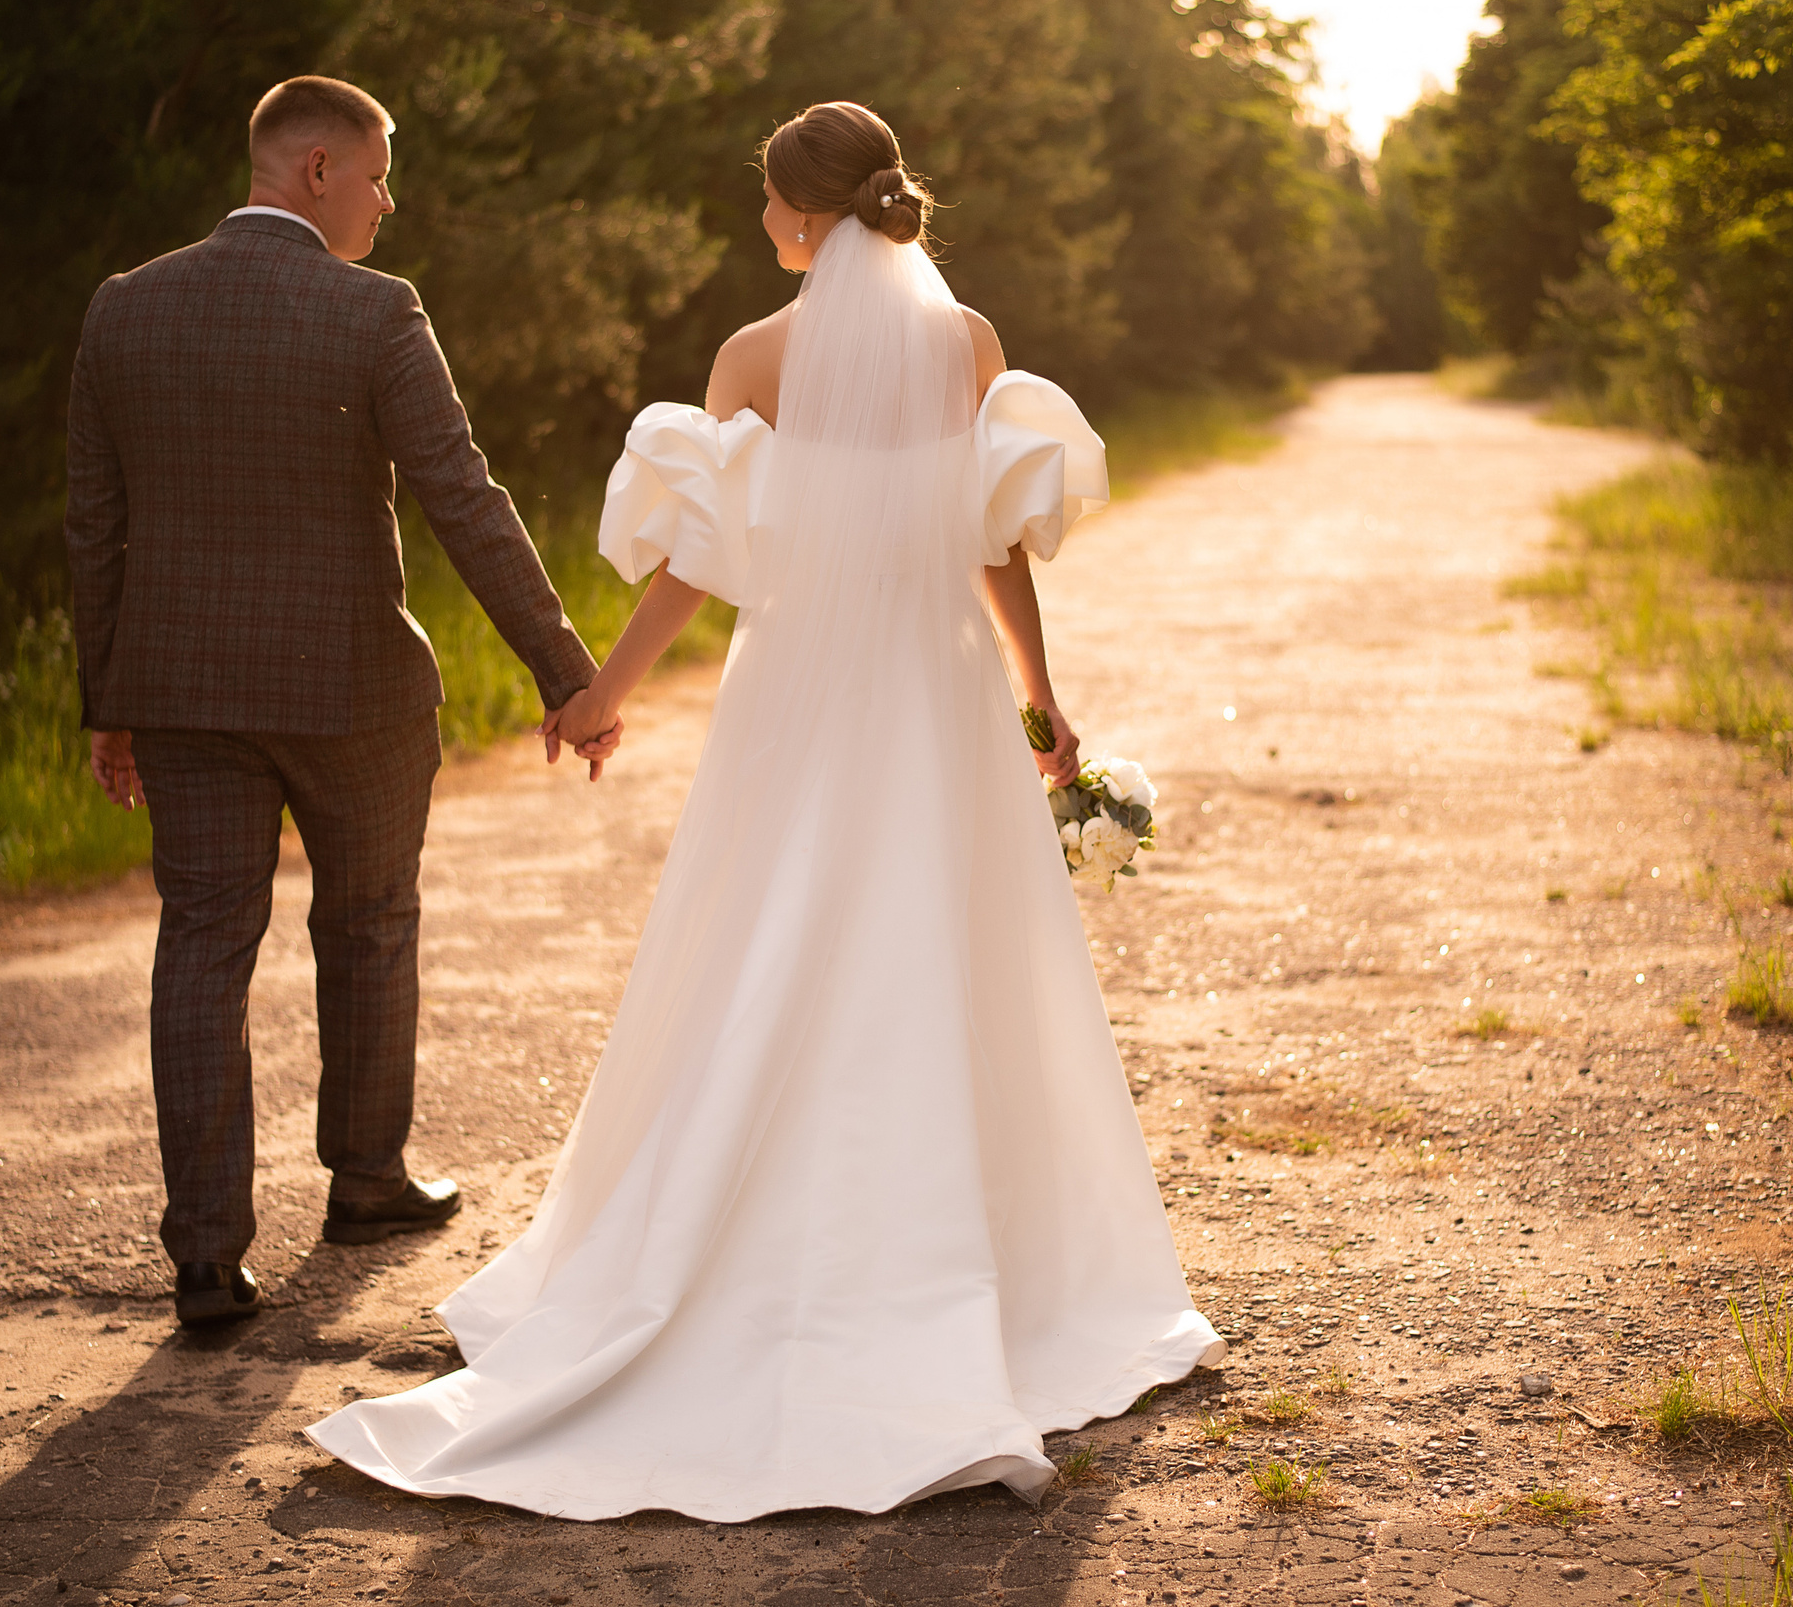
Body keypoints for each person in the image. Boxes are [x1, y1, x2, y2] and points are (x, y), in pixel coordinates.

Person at [308, 102, 1223, 1519]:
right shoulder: (967, 342)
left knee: (773, 946)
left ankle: (729, 1251)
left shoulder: (754, 357)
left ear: (798, 214)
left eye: (764, 205)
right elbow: (995, 546)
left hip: (797, 696)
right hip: (937, 692)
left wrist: (599, 691)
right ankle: (974, 1266)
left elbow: (689, 560)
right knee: (946, 957)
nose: (762, 227)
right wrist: (1044, 698)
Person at [64, 75, 621, 1330]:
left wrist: (110, 696)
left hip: (183, 690)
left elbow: (94, 524)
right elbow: (463, 497)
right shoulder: (372, 311)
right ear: (315, 170)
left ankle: (205, 1253)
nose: (388, 201)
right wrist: (567, 673)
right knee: (368, 924)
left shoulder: (126, 309)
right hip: (352, 688)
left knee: (202, 944)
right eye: (377, 174)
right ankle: (366, 1181)